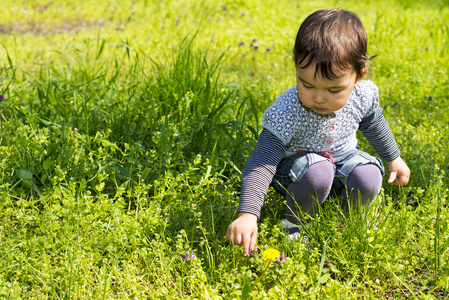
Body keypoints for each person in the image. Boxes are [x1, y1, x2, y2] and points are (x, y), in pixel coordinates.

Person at [226, 9, 410, 255]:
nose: (319, 98)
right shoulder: (288, 110)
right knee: (319, 172)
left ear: (358, 76)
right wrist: (247, 214)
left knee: (368, 176)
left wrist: (393, 157)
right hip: (298, 171)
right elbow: (263, 161)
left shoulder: (362, 95)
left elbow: (373, 123)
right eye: (307, 84)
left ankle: (351, 218)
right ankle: (295, 222)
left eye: (334, 90)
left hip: (343, 157)